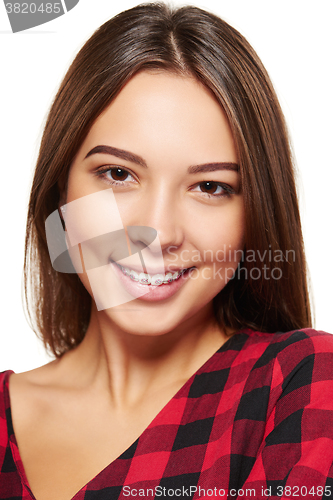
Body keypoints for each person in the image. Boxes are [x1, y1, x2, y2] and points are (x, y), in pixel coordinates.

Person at [1, 3, 333, 499]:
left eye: (211, 187)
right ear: (60, 192)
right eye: (118, 174)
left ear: (255, 213)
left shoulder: (301, 385)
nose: (157, 231)